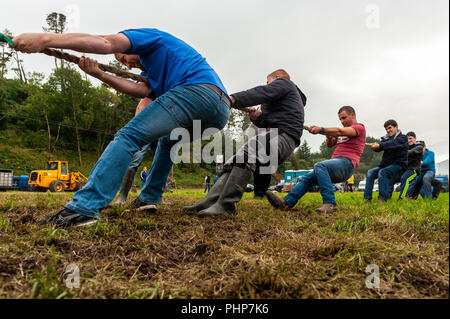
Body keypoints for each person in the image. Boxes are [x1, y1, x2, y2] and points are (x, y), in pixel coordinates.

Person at [13, 28, 231, 227]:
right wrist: (99, 74)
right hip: (220, 112)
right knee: (168, 142)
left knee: (129, 136)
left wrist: (45, 39)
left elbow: (106, 43)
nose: (126, 65)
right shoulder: (154, 73)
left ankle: (84, 207)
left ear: (131, 47)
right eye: (123, 64)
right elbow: (139, 90)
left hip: (195, 92)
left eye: (124, 57)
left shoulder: (148, 37)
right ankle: (148, 197)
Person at [183, 69, 306, 217]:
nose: (267, 85)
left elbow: (262, 92)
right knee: (234, 160)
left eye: (268, 82)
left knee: (246, 156)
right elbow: (270, 122)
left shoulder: (284, 84)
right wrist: (257, 119)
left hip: (283, 136)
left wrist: (233, 99)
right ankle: (210, 201)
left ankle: (226, 205)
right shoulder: (284, 101)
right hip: (275, 134)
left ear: (277, 78)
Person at [265, 106, 366, 213]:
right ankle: (286, 203)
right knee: (306, 178)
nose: (342, 121)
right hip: (336, 166)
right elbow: (330, 145)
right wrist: (328, 136)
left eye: (344, 118)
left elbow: (340, 131)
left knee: (320, 165)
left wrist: (321, 130)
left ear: (352, 115)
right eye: (340, 119)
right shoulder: (342, 133)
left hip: (347, 165)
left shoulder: (359, 128)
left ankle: (330, 203)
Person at [364, 120, 408, 202]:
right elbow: (380, 147)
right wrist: (374, 147)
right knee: (370, 172)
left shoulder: (403, 138)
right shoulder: (385, 139)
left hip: (399, 166)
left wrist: (379, 145)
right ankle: (367, 198)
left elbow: (392, 144)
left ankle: (382, 198)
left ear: (396, 127)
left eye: (389, 128)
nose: (388, 130)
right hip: (386, 166)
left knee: (383, 172)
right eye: (386, 129)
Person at [397, 132, 424, 200]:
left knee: (405, 178)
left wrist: (402, 153)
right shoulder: (405, 147)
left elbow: (412, 152)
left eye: (410, 138)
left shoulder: (419, 147)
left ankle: (401, 198)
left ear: (415, 139)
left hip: (414, 170)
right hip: (405, 169)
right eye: (407, 139)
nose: (409, 140)